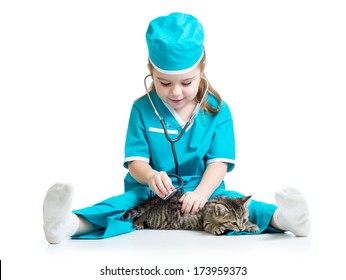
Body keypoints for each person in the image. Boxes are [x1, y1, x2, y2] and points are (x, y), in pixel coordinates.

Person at [43, 12, 311, 244]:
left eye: (186, 82)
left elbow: (218, 162)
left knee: (234, 206)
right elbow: (135, 161)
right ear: (151, 71)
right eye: (164, 82)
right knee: (122, 206)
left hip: (203, 188)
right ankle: (70, 224)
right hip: (151, 191)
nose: (175, 92)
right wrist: (149, 177)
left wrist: (203, 193)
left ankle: (285, 219)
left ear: (202, 69)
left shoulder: (218, 110)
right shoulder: (141, 109)